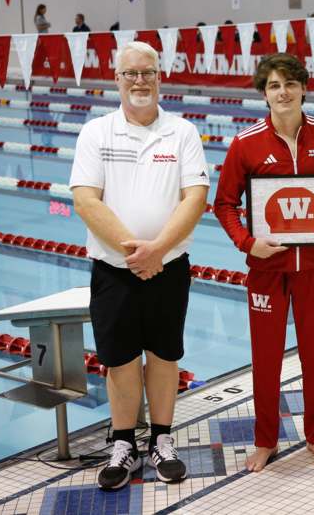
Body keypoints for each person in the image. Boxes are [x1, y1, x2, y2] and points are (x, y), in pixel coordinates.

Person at [214, 53, 314, 472]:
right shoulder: (245, 143)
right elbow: (224, 204)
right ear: (264, 93)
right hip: (266, 271)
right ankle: (265, 439)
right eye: (274, 86)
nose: (282, 92)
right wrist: (247, 243)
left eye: (290, 84)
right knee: (265, 360)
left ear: (303, 88)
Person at [70, 41, 210, 490]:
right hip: (114, 270)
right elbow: (85, 200)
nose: (139, 81)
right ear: (117, 80)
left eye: (147, 72)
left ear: (159, 76)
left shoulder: (182, 132)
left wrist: (157, 251)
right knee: (120, 359)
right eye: (130, 74)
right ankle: (124, 444)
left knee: (165, 355)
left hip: (168, 267)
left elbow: (195, 198)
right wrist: (136, 255)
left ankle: (163, 440)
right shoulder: (96, 133)